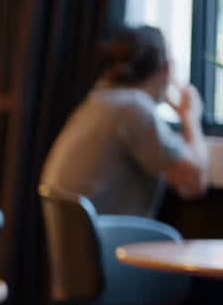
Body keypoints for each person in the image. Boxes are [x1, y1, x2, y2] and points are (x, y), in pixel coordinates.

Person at [42, 25, 208, 216]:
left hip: (86, 239)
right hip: (115, 239)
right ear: (165, 69)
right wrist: (190, 117)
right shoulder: (132, 108)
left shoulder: (102, 100)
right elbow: (195, 181)